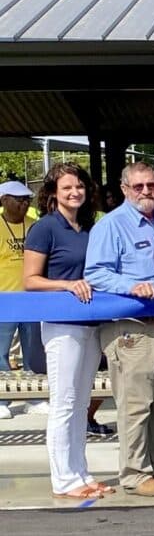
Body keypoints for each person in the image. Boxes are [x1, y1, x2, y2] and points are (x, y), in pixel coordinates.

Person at [84, 162, 154, 497]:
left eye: (152, 185)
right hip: (130, 330)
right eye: (139, 187)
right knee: (135, 406)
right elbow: (96, 273)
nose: (146, 191)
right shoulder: (111, 226)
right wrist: (132, 285)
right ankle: (134, 474)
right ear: (124, 189)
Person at [22, 163, 114, 500]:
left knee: (80, 404)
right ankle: (63, 479)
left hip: (92, 324)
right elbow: (30, 281)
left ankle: (81, 473)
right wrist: (67, 285)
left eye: (79, 187)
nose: (75, 192)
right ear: (53, 193)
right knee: (63, 403)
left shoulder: (91, 227)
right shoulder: (45, 228)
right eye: (67, 188)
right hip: (62, 325)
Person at [0, 179, 46, 419]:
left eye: (27, 200)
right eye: (19, 200)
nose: (24, 204)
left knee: (33, 352)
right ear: (4, 200)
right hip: (3, 300)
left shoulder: (34, 226)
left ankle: (35, 397)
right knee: (0, 352)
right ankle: (2, 399)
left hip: (30, 300)